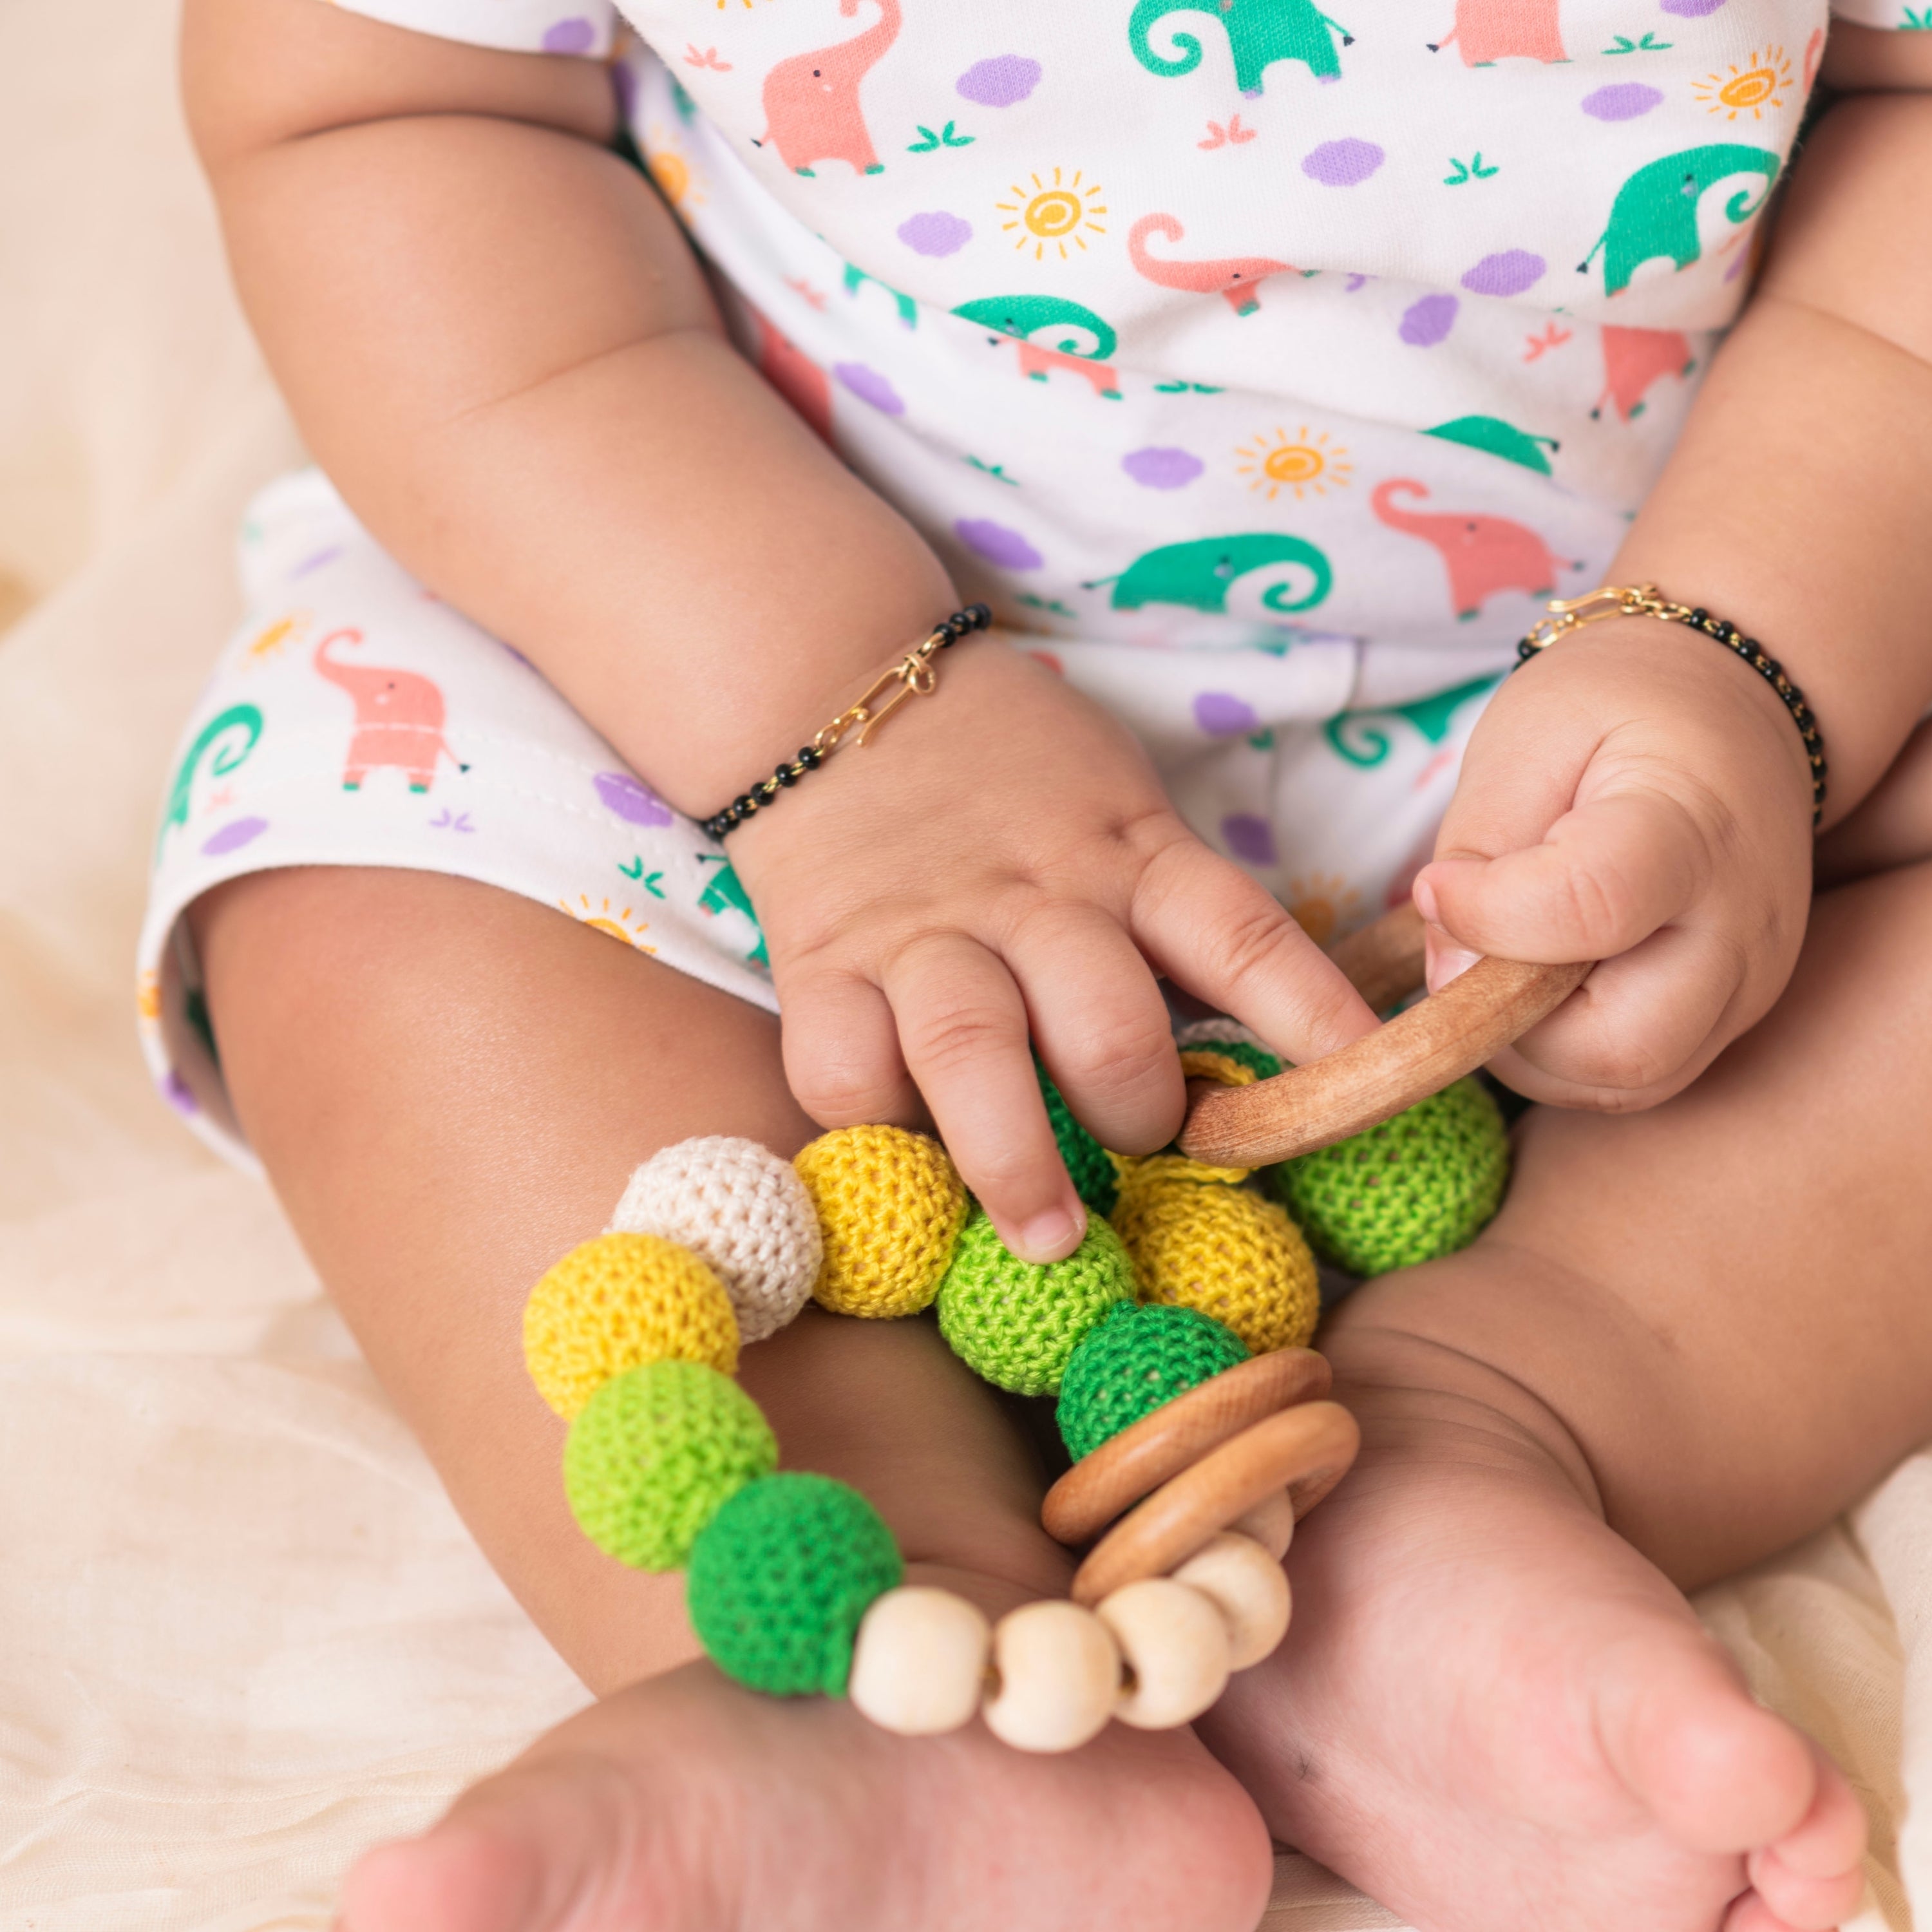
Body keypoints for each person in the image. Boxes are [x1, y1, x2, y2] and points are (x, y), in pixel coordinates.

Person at [149, 0, 1932, 1924]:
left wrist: (1753, 651)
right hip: (745, 668)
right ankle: (889, 1635)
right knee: (372, 867)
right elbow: (378, 110)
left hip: (1613, 695)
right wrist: (827, 705)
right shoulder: (766, 678)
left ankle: (1472, 1439)